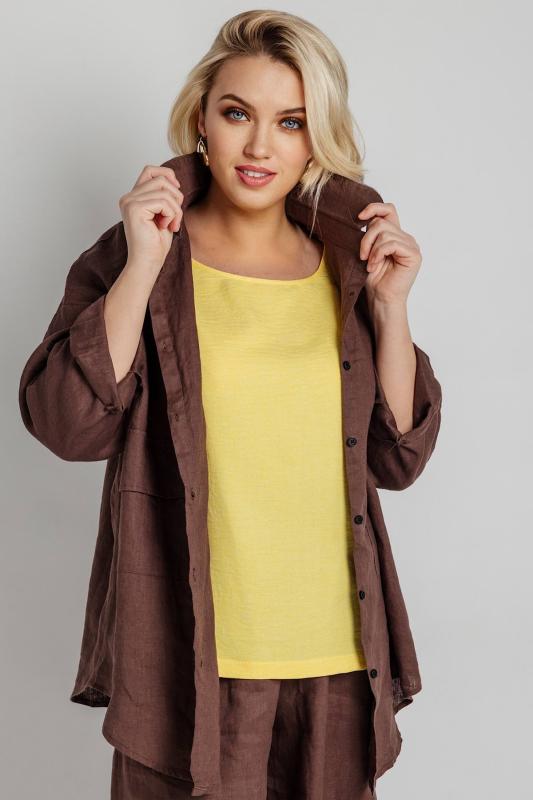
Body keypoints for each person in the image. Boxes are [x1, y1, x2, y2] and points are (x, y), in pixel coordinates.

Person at [19, 9, 443, 800]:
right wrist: (142, 264)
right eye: (237, 113)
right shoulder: (141, 254)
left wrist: (391, 309)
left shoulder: (349, 267)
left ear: (316, 139)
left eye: (291, 122)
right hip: (189, 665)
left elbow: (398, 458)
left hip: (338, 658)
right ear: (201, 122)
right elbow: (68, 424)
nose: (259, 147)